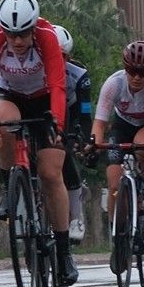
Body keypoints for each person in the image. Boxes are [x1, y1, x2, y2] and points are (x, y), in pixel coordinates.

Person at [0, 0, 77, 286]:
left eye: (23, 33)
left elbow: (59, 85)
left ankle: (64, 251)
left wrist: (57, 124)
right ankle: (10, 185)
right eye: (11, 34)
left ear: (33, 27)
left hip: (45, 98)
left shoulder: (46, 36)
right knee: (3, 123)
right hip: (10, 95)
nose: (17, 40)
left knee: (50, 173)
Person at [88, 41, 144, 250]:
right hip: (122, 126)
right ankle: (117, 234)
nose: (137, 77)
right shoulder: (113, 84)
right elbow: (99, 123)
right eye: (132, 71)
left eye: (143, 72)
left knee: (143, 145)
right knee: (114, 184)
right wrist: (94, 146)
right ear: (125, 68)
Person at [54, 25, 93, 245]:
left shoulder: (79, 76)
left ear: (69, 57)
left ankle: (76, 217)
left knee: (64, 152)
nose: (55, 60)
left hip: (72, 114)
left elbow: (85, 114)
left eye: (61, 56)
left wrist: (84, 140)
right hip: (46, 111)